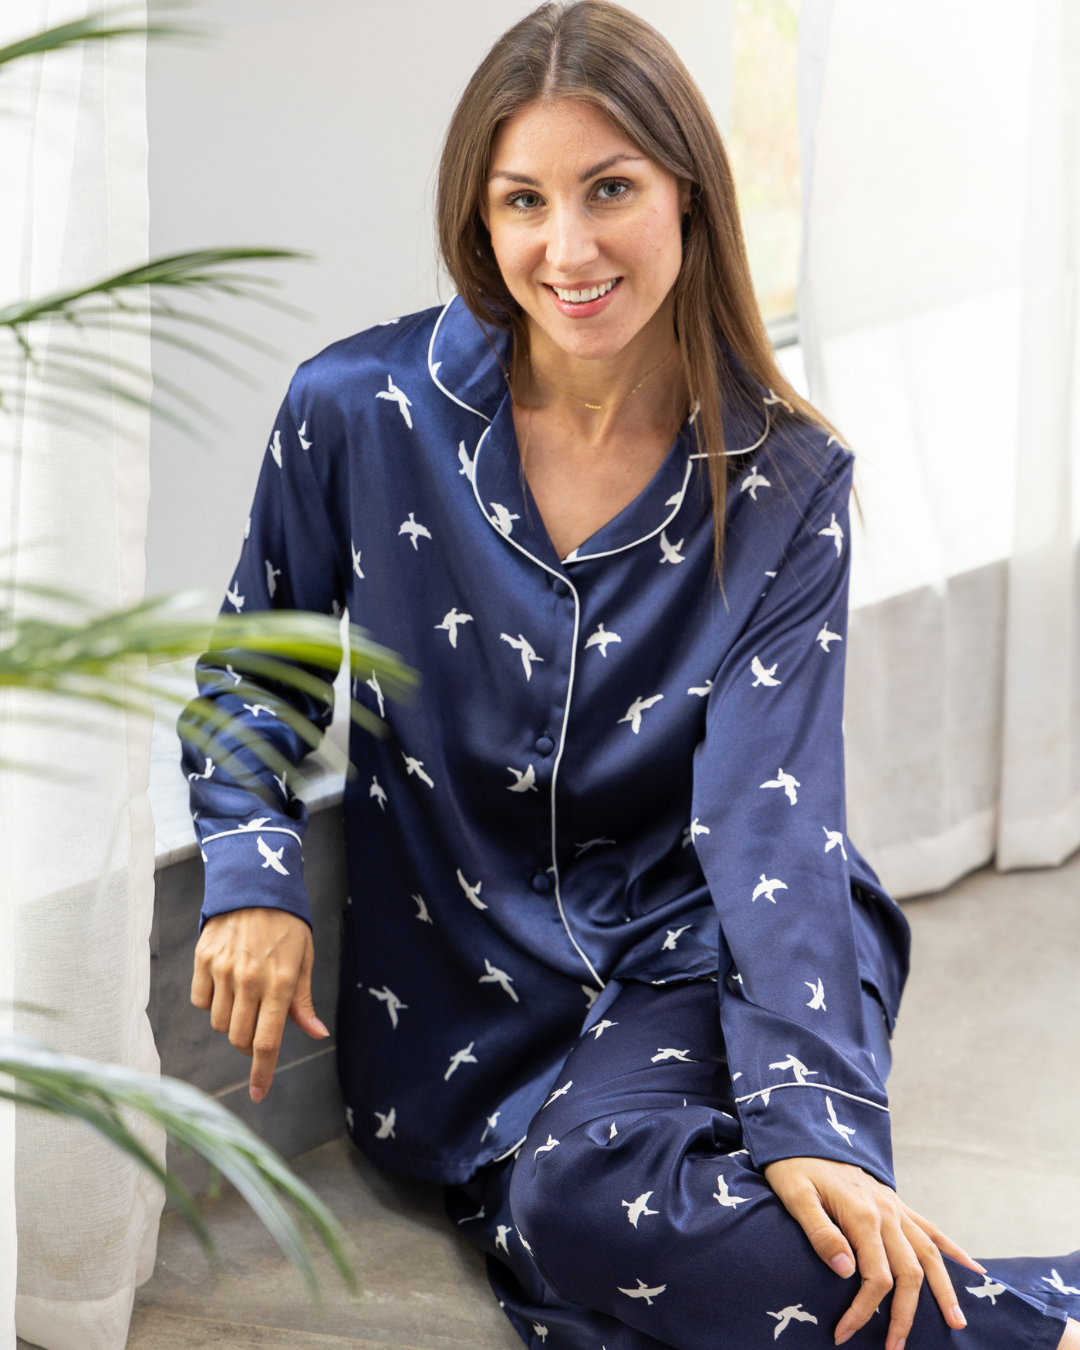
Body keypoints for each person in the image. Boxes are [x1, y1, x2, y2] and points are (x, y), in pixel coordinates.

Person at [180, 5, 1080, 1348]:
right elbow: (257, 669)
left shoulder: (787, 481)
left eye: (610, 190)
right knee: (587, 1254)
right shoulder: (356, 409)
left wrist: (812, 1116)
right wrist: (252, 875)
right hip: (459, 1006)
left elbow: (770, 812)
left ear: (687, 194)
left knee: (583, 1212)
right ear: (478, 215)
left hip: (715, 950)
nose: (568, 248)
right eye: (523, 200)